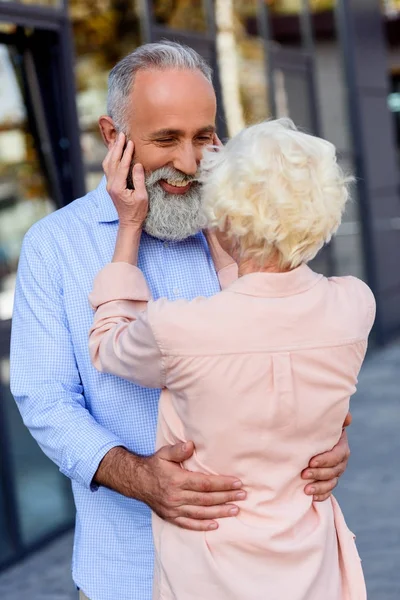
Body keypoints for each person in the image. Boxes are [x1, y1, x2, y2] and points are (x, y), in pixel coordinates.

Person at [10, 42, 351, 600]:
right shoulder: (56, 246)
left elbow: (297, 353)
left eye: (204, 136)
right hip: (128, 571)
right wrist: (140, 477)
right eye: (166, 140)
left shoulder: (247, 228)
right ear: (112, 136)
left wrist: (330, 436)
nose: (190, 163)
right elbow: (45, 399)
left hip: (266, 574)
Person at [89, 118, 374, 600]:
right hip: (314, 572)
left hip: (210, 577)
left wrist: (130, 227)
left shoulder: (178, 329)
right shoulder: (355, 305)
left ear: (224, 215)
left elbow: (107, 342)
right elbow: (265, 326)